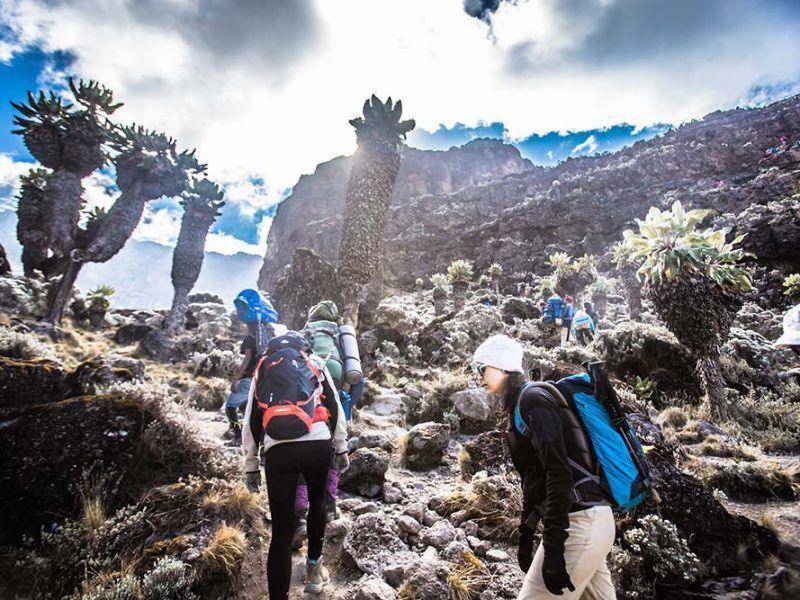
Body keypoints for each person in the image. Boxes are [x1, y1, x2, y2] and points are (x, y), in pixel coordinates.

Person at [473, 334, 616, 600]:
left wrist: (552, 550)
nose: (479, 377)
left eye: (482, 369)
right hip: (590, 521)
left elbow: (558, 472)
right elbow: (534, 477)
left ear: (502, 366)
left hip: (580, 523)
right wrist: (526, 533)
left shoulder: (533, 400)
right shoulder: (521, 405)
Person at [243, 333, 349, 598]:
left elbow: (251, 421)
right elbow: (335, 408)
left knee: (281, 530)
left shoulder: (263, 369)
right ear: (304, 347)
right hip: (317, 443)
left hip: (279, 448)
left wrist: (251, 465)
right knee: (318, 504)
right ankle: (314, 572)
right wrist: (341, 447)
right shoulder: (313, 362)